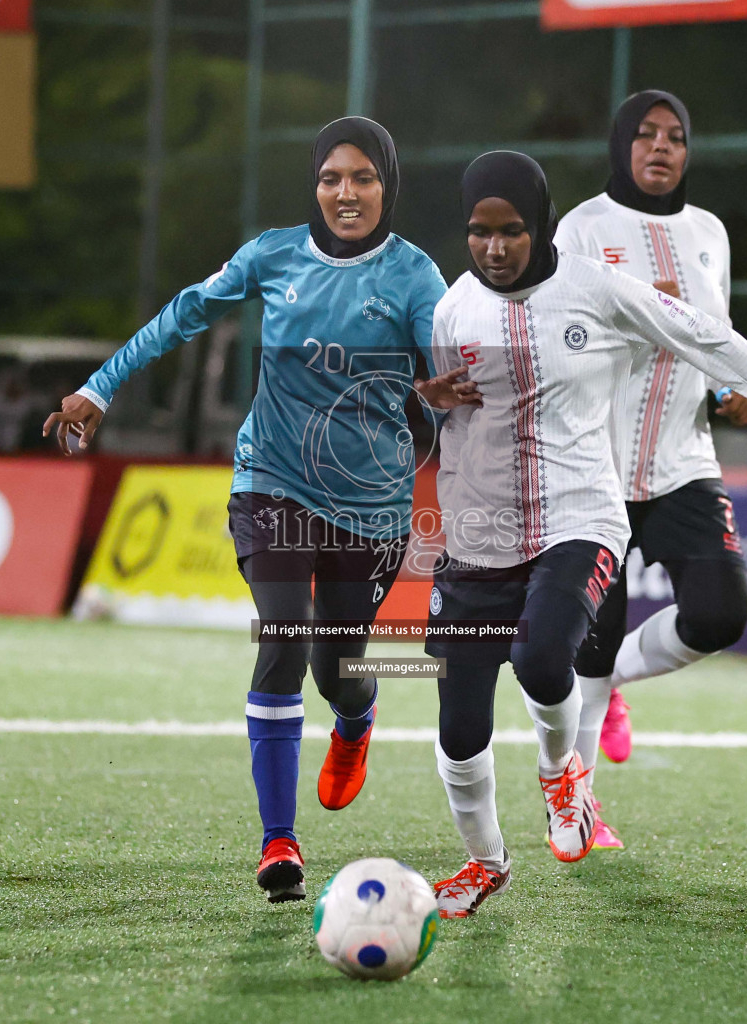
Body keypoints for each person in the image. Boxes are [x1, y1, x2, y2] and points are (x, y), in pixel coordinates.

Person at [43, 118, 476, 904]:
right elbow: (184, 313)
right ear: (314, 186)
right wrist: (98, 386)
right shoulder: (273, 254)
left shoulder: (417, 278)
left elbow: (448, 389)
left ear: (389, 185)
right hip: (270, 481)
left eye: (363, 179)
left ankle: (355, 718)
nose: (345, 193)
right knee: (281, 636)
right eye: (330, 179)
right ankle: (279, 842)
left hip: (371, 507)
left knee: (336, 669)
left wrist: (439, 411)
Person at [425, 151, 747, 919]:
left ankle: (561, 774)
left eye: (510, 231)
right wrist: (426, 403)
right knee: (456, 733)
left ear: (541, 226)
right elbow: (450, 421)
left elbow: (708, 337)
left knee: (542, 656)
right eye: (479, 232)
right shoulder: (453, 311)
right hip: (481, 534)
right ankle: (484, 864)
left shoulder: (598, 288)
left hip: (581, 515)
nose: (493, 248)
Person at [557, 90, 747, 848]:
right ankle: (579, 812)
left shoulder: (710, 233)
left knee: (721, 613)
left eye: (675, 137)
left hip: (685, 462)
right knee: (588, 638)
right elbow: (564, 333)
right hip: (598, 471)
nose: (660, 148)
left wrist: (731, 387)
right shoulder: (581, 228)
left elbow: (719, 334)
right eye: (645, 135)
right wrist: (644, 311)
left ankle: (612, 680)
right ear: (621, 146)